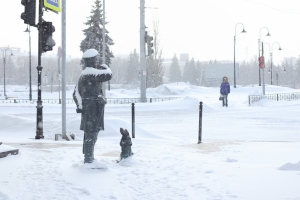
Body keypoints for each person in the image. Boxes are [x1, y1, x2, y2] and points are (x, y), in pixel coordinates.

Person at [73, 48, 112, 163]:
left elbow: (75, 92)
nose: (98, 61)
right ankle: (88, 158)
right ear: (93, 60)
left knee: (91, 132)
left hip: (92, 107)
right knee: (91, 132)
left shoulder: (85, 74)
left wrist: (80, 105)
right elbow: (108, 75)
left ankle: (88, 156)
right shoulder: (90, 73)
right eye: (97, 59)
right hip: (92, 108)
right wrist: (104, 66)